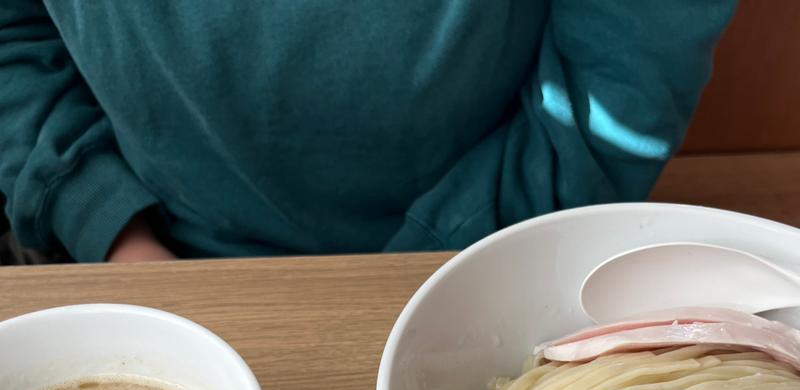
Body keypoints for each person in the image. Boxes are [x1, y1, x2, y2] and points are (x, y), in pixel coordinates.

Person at [0, 1, 736, 265]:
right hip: (138, 253)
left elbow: (626, 71)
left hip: (495, 248)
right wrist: (113, 233)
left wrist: (444, 265)